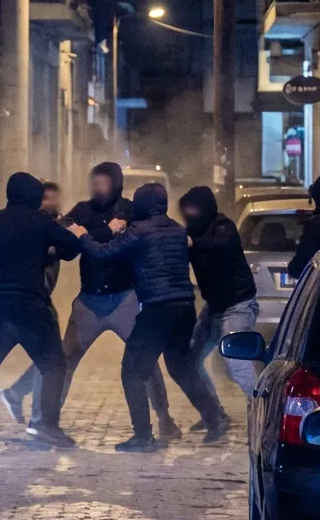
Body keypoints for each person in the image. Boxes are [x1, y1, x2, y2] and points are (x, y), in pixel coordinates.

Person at [10, 163, 176, 440]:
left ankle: (164, 417)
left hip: (125, 297)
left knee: (145, 361)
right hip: (90, 301)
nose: (98, 188)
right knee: (64, 361)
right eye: (95, 182)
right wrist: (101, 231)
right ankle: (45, 421)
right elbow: (63, 232)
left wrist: (86, 233)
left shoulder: (130, 210)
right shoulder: (83, 210)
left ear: (116, 184)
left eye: (104, 183)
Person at [74, 183, 230, 452]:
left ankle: (143, 436)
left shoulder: (138, 232)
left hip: (158, 308)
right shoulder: (178, 231)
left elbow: (102, 253)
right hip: (184, 307)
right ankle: (214, 419)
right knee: (180, 367)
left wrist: (82, 235)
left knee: (133, 370)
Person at [0, 172, 82, 450]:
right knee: (54, 365)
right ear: (33, 196)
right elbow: (71, 248)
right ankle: (49, 426)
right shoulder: (41, 222)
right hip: (31, 308)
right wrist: (55, 248)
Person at [179, 185, 259, 420]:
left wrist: (194, 243)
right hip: (215, 305)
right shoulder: (192, 232)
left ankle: (264, 413)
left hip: (238, 304)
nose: (189, 214)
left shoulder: (223, 227)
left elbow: (220, 247)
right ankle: (215, 414)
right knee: (191, 360)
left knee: (236, 362)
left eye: (193, 208)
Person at [0, 180, 65, 424]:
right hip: (33, 300)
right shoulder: (31, 227)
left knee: (49, 359)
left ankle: (16, 395)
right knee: (50, 360)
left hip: (42, 297)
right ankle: (38, 418)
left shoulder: (55, 225)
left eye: (54, 198)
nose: (51, 203)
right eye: (46, 198)